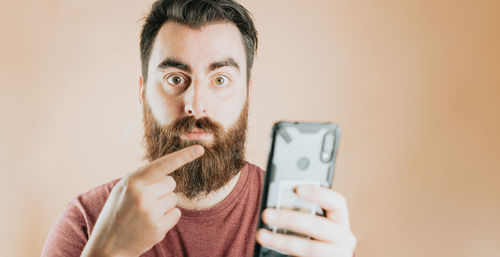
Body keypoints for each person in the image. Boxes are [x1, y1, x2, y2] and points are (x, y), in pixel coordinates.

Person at [41, 0, 357, 256]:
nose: (195, 104)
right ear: (142, 93)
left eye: (220, 80)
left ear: (247, 92)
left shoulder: (299, 224)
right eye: (175, 79)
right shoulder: (87, 222)